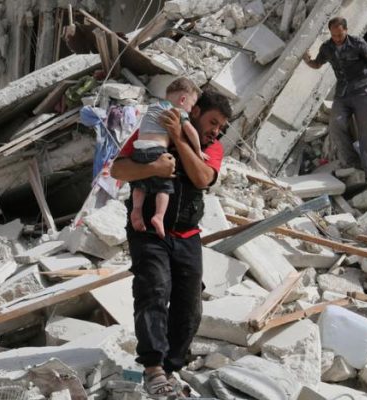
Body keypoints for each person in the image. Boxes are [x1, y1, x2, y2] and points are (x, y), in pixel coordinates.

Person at [110, 90, 232, 398]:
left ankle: (171, 369)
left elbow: (203, 177)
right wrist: (153, 169)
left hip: (187, 235)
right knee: (154, 290)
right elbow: (118, 169)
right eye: (212, 122)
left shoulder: (212, 148)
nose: (215, 131)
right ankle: (153, 369)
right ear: (196, 111)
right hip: (149, 231)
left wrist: (180, 139)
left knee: (189, 307)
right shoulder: (155, 129)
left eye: (221, 127)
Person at [304, 17, 367, 184]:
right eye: (334, 35)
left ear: (346, 30)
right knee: (335, 125)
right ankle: (352, 163)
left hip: (364, 88)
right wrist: (307, 60)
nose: (337, 39)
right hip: (343, 93)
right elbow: (317, 64)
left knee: (366, 129)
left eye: (340, 35)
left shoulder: (357, 43)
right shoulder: (327, 47)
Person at [129, 77, 203, 239]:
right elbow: (190, 131)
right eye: (191, 105)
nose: (190, 110)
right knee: (164, 186)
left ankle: (136, 209)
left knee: (140, 184)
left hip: (139, 148)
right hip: (156, 150)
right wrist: (198, 151)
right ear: (183, 100)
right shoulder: (177, 111)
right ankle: (159, 216)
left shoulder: (153, 106)